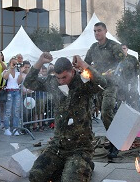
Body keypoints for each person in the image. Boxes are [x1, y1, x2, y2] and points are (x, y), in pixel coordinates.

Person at [24, 52, 106, 182]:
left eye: (64, 77)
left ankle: (85, 165)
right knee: (35, 176)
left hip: (80, 147)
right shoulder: (52, 82)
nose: (61, 81)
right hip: (58, 146)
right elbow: (28, 83)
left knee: (70, 180)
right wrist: (40, 62)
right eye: (58, 78)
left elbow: (102, 83)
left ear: (72, 72)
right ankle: (67, 167)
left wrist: (84, 65)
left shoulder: (83, 82)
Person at [84, 22, 125, 159]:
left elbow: (122, 62)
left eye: (99, 30)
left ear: (105, 31)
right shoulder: (93, 48)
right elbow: (86, 63)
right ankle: (114, 139)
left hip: (111, 84)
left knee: (106, 112)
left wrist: (113, 72)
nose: (97, 33)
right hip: (99, 85)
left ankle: (116, 143)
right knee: (105, 114)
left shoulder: (114, 46)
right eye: (95, 31)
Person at [1, 57, 23, 136]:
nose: (14, 65)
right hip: (9, 92)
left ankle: (15, 128)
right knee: (8, 111)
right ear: (10, 63)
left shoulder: (17, 72)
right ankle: (7, 128)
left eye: (15, 63)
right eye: (13, 63)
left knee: (16, 111)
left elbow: (19, 81)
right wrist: (10, 68)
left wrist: (20, 72)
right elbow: (5, 77)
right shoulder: (6, 71)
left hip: (16, 91)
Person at [119, 44, 140, 113]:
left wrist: (132, 79)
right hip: (122, 83)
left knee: (134, 98)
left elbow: (138, 70)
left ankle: (139, 113)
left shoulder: (132, 58)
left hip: (132, 82)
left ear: (127, 49)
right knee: (123, 99)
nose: (123, 50)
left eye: (124, 48)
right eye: (121, 49)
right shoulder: (118, 60)